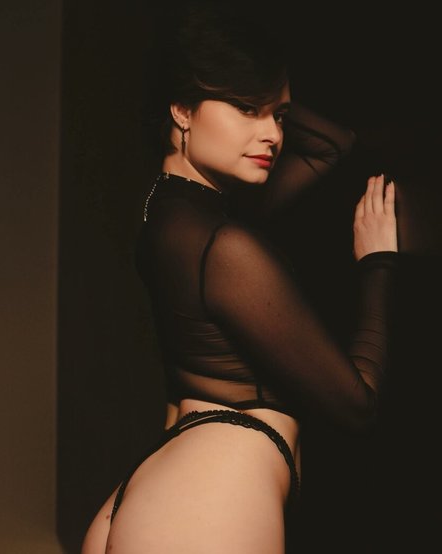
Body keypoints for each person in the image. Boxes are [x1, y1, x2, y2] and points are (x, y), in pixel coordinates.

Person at [81, 3, 398, 553]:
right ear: (182, 108)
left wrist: (258, 88)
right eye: (246, 108)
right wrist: (378, 263)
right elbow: (357, 404)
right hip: (209, 497)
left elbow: (331, 145)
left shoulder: (170, 214)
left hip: (172, 489)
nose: (272, 133)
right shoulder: (225, 246)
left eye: (279, 115)